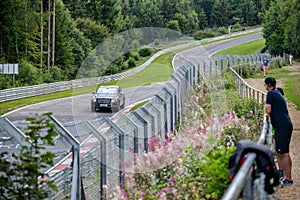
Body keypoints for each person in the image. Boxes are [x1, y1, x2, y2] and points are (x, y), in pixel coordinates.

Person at [264, 77, 293, 185]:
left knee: (284, 152)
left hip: (282, 125)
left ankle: (288, 179)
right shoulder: (277, 92)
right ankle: (283, 175)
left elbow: (268, 109)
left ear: (267, 85)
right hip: (283, 125)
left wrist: (266, 114)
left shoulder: (271, 94)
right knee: (279, 151)